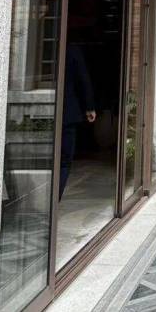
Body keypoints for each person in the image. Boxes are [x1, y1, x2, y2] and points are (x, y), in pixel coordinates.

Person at [59, 43, 97, 198]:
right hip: (68, 112)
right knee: (64, 160)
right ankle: (55, 197)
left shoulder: (50, 44)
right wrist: (90, 107)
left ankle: (52, 198)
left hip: (58, 111)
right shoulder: (72, 49)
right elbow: (83, 79)